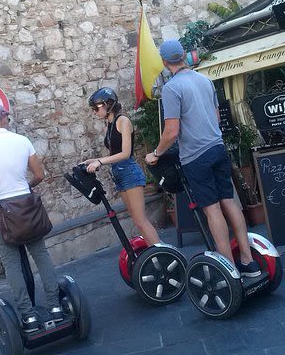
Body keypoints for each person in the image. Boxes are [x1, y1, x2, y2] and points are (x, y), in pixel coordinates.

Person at [145, 40, 260, 278]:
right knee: (229, 201)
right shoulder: (205, 80)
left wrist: (156, 154)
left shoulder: (171, 89)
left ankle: (229, 268)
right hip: (217, 147)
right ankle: (248, 261)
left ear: (165, 63)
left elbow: (172, 131)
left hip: (196, 156)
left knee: (212, 209)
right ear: (184, 56)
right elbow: (216, 118)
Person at [0, 104, 61, 332]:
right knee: (41, 254)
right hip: (26, 204)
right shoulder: (22, 141)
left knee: (11, 263)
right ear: (4, 119)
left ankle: (28, 317)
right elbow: (39, 175)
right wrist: (24, 187)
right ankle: (56, 307)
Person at [83, 87, 160, 245]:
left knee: (141, 221)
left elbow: (125, 153)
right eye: (94, 109)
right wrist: (94, 160)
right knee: (136, 219)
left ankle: (164, 253)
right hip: (119, 173)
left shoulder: (123, 121)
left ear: (109, 104)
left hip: (129, 172)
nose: (95, 112)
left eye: (97, 107)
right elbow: (114, 152)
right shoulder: (111, 124)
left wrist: (100, 161)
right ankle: (157, 255)